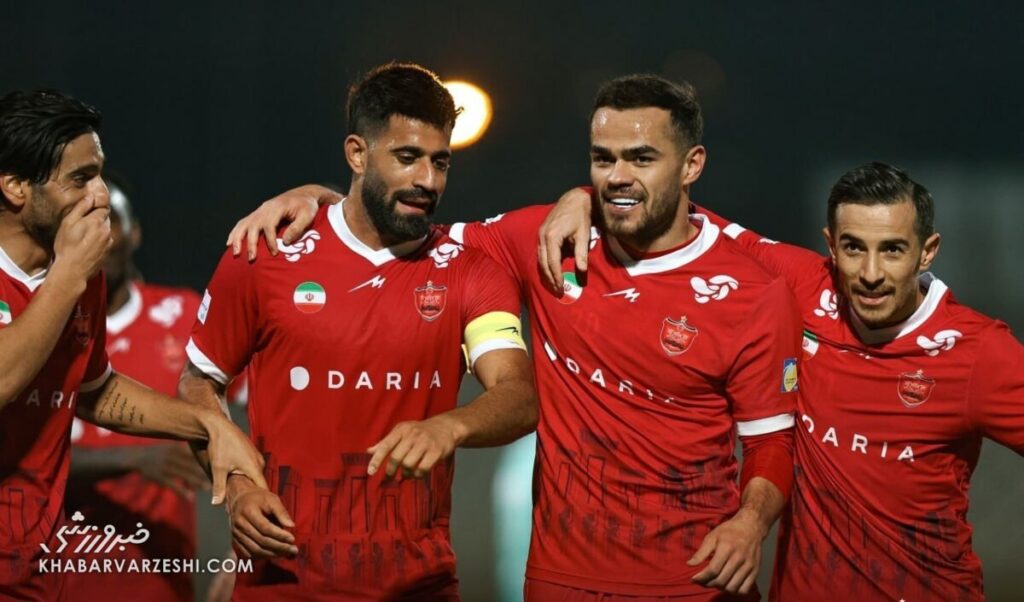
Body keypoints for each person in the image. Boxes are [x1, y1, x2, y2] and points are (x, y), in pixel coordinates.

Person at [228, 74, 802, 600]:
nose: (618, 176)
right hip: (561, 580)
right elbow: (402, 225)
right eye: (602, 159)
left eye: (642, 158)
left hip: (696, 581)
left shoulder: (752, 289)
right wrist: (318, 196)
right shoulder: (539, 238)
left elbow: (772, 444)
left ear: (692, 164)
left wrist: (749, 524)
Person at [538, 162, 1024, 600]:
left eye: (892, 250)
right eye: (854, 248)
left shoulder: (978, 352)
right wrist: (584, 197)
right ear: (831, 246)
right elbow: (692, 223)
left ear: (927, 252)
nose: (871, 273)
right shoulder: (799, 286)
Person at [178, 62, 537, 600]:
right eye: (407, 158)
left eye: (440, 162)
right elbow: (198, 382)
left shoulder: (470, 273)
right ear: (357, 154)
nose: (428, 181)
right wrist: (236, 489)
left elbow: (518, 395)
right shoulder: (266, 253)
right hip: (282, 583)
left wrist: (451, 426)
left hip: (418, 587)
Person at [0, 90, 266, 601]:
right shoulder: (73, 274)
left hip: (37, 571)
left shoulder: (80, 275)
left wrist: (206, 423)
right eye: (80, 178)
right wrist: (69, 276)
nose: (101, 195)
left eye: (99, 174)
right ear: (15, 186)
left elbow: (94, 390)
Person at [64, 175, 213, 601]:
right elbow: (19, 460)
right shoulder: (37, 325)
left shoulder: (183, 314)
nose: (100, 236)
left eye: (110, 220)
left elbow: (260, 415)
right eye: (83, 221)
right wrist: (134, 458)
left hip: (159, 578)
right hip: (53, 576)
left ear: (135, 233)